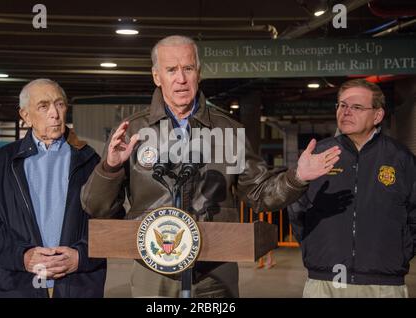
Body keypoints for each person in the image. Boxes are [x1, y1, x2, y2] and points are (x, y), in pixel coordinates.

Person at [80, 35, 340, 298]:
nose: (181, 79)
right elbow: (95, 206)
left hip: (215, 269)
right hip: (153, 269)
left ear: (199, 73)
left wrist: (297, 177)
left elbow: (259, 193)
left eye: (188, 68)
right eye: (171, 70)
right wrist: (110, 168)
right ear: (157, 76)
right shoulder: (132, 130)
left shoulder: (228, 129)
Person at [0, 79, 109, 298]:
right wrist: (20, 255)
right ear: (25, 116)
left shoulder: (89, 160)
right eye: (43, 106)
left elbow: (109, 217)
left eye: (59, 104)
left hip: (78, 285)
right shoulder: (0, 164)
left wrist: (82, 255)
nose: (54, 113)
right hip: (18, 285)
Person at [288, 79, 416, 298]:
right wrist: (316, 247)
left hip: (383, 284)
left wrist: (400, 254)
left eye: (356, 107)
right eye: (342, 105)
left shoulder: (401, 159)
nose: (346, 111)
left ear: (378, 115)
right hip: (324, 282)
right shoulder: (318, 155)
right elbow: (297, 210)